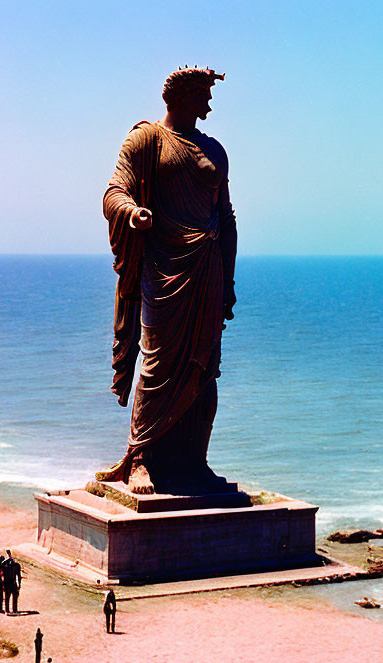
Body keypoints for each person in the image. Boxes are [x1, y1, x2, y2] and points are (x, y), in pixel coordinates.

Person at [97, 66, 237, 496]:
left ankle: (195, 460)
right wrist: (132, 212)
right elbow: (114, 191)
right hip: (164, 270)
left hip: (207, 271)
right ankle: (140, 458)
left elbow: (226, 216)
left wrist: (228, 277)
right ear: (180, 97)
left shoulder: (215, 149)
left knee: (205, 368)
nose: (209, 104)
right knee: (157, 362)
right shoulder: (146, 139)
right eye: (202, 95)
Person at [3, 549, 22, 614]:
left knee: (7, 597)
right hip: (12, 583)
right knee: (14, 597)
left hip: (7, 583)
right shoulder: (16, 565)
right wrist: (19, 584)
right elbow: (19, 576)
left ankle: (7, 611)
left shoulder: (5, 565)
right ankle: (14, 610)